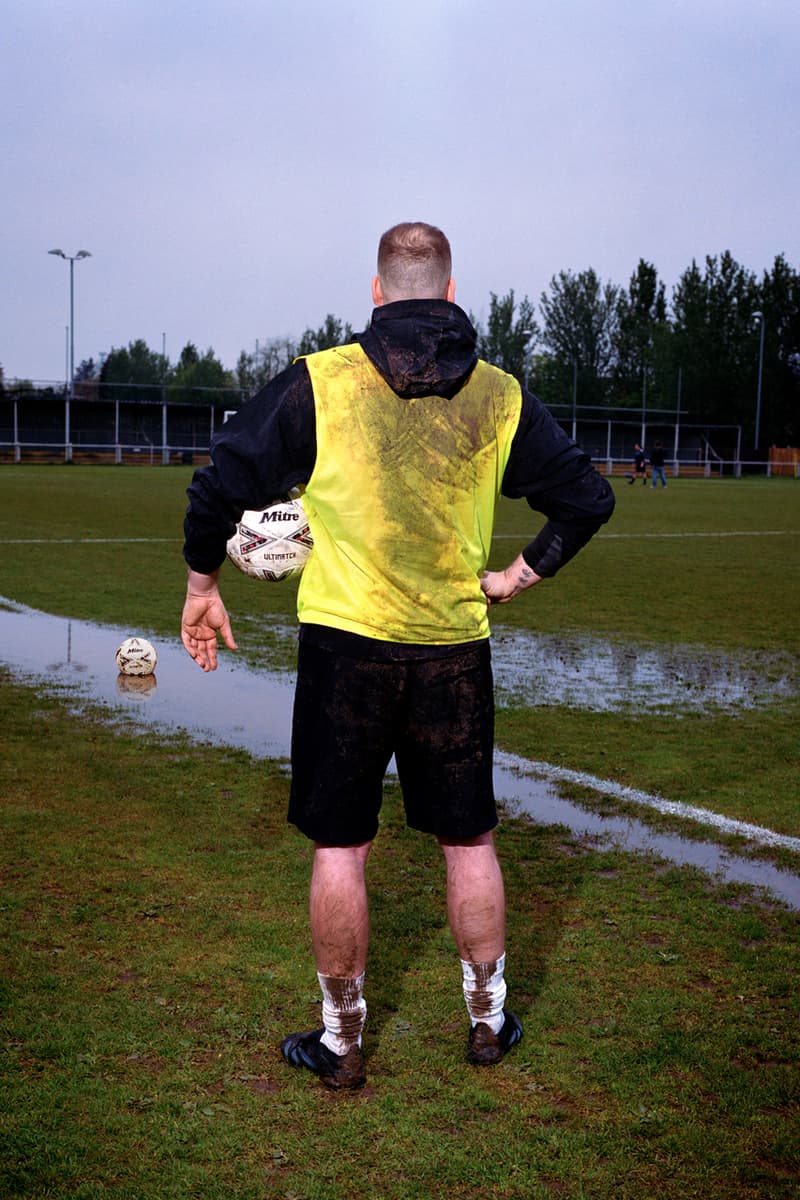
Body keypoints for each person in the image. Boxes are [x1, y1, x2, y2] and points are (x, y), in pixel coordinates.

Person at [181, 221, 615, 1091]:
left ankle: (342, 1044)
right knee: (470, 841)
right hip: (454, 649)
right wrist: (517, 576)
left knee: (341, 848)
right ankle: (487, 1024)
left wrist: (201, 586)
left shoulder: (323, 380)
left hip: (347, 650)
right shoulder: (499, 395)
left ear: (376, 292)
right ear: (449, 294)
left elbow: (221, 478)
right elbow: (587, 498)